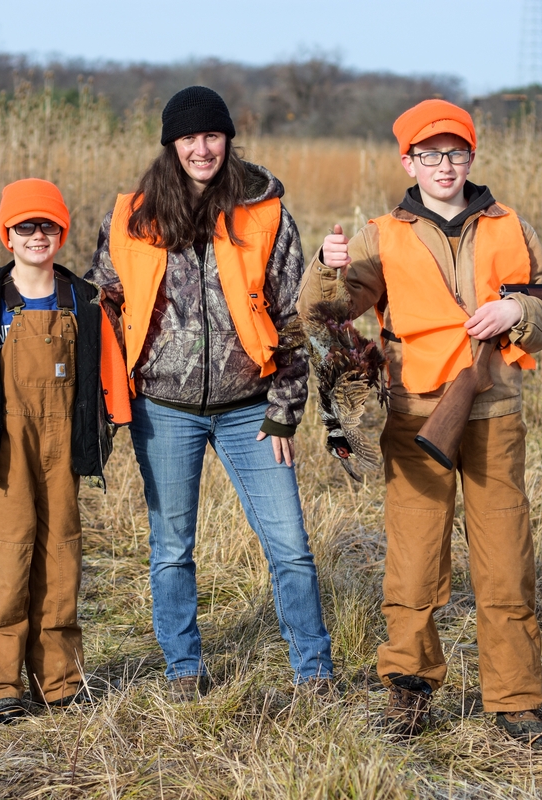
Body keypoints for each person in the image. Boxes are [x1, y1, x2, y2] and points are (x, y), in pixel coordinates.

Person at [298, 100, 542, 746]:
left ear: (471, 156)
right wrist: (326, 263)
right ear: (407, 161)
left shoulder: (509, 225)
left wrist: (518, 315)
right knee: (415, 563)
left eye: (455, 152)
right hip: (415, 416)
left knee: (505, 561)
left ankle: (516, 701)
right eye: (428, 154)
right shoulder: (378, 234)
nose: (443, 165)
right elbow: (325, 310)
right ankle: (410, 693)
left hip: (494, 411)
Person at [87, 86, 333, 699]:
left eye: (213, 136)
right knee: (171, 549)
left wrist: (284, 411)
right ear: (171, 144)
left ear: (228, 139)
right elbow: (103, 304)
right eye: (189, 138)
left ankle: (314, 673)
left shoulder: (265, 210)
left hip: (253, 409)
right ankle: (183, 669)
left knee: (292, 547)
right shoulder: (131, 218)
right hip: (162, 409)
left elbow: (294, 317)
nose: (202, 149)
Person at [0, 178, 126, 723]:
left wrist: (100, 434)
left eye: (47, 225)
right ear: (8, 235)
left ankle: (58, 681)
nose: (37, 235)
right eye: (25, 227)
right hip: (4, 449)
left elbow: (106, 378)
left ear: (61, 231)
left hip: (62, 444)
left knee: (61, 556)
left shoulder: (84, 300)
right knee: (4, 558)